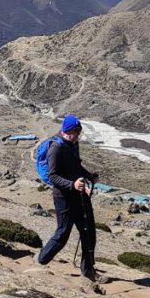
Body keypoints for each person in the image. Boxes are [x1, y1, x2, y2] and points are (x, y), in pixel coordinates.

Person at [35, 115, 104, 282]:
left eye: (79, 131)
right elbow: (53, 175)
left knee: (88, 232)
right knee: (63, 232)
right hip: (64, 196)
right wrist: (72, 184)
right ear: (69, 131)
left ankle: (88, 270)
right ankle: (41, 260)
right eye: (76, 132)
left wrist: (88, 176)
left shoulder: (73, 144)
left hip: (79, 193)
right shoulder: (56, 148)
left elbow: (76, 166)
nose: (78, 135)